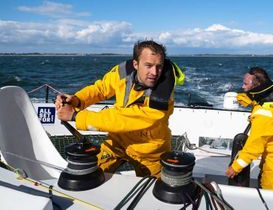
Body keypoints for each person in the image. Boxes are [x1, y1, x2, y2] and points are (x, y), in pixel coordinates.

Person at [55, 40, 184, 177]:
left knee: (158, 191)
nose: (154, 72)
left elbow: (122, 119)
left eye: (159, 66)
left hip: (149, 151)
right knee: (91, 175)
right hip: (117, 142)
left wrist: (76, 116)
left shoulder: (163, 96)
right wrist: (76, 100)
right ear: (135, 64)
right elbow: (101, 89)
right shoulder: (122, 72)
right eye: (148, 65)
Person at [225, 67, 273, 191]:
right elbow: (261, 100)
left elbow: (253, 148)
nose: (242, 87)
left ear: (258, 86)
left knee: (269, 201)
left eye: (245, 84)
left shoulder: (265, 114)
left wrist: (235, 168)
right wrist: (247, 98)